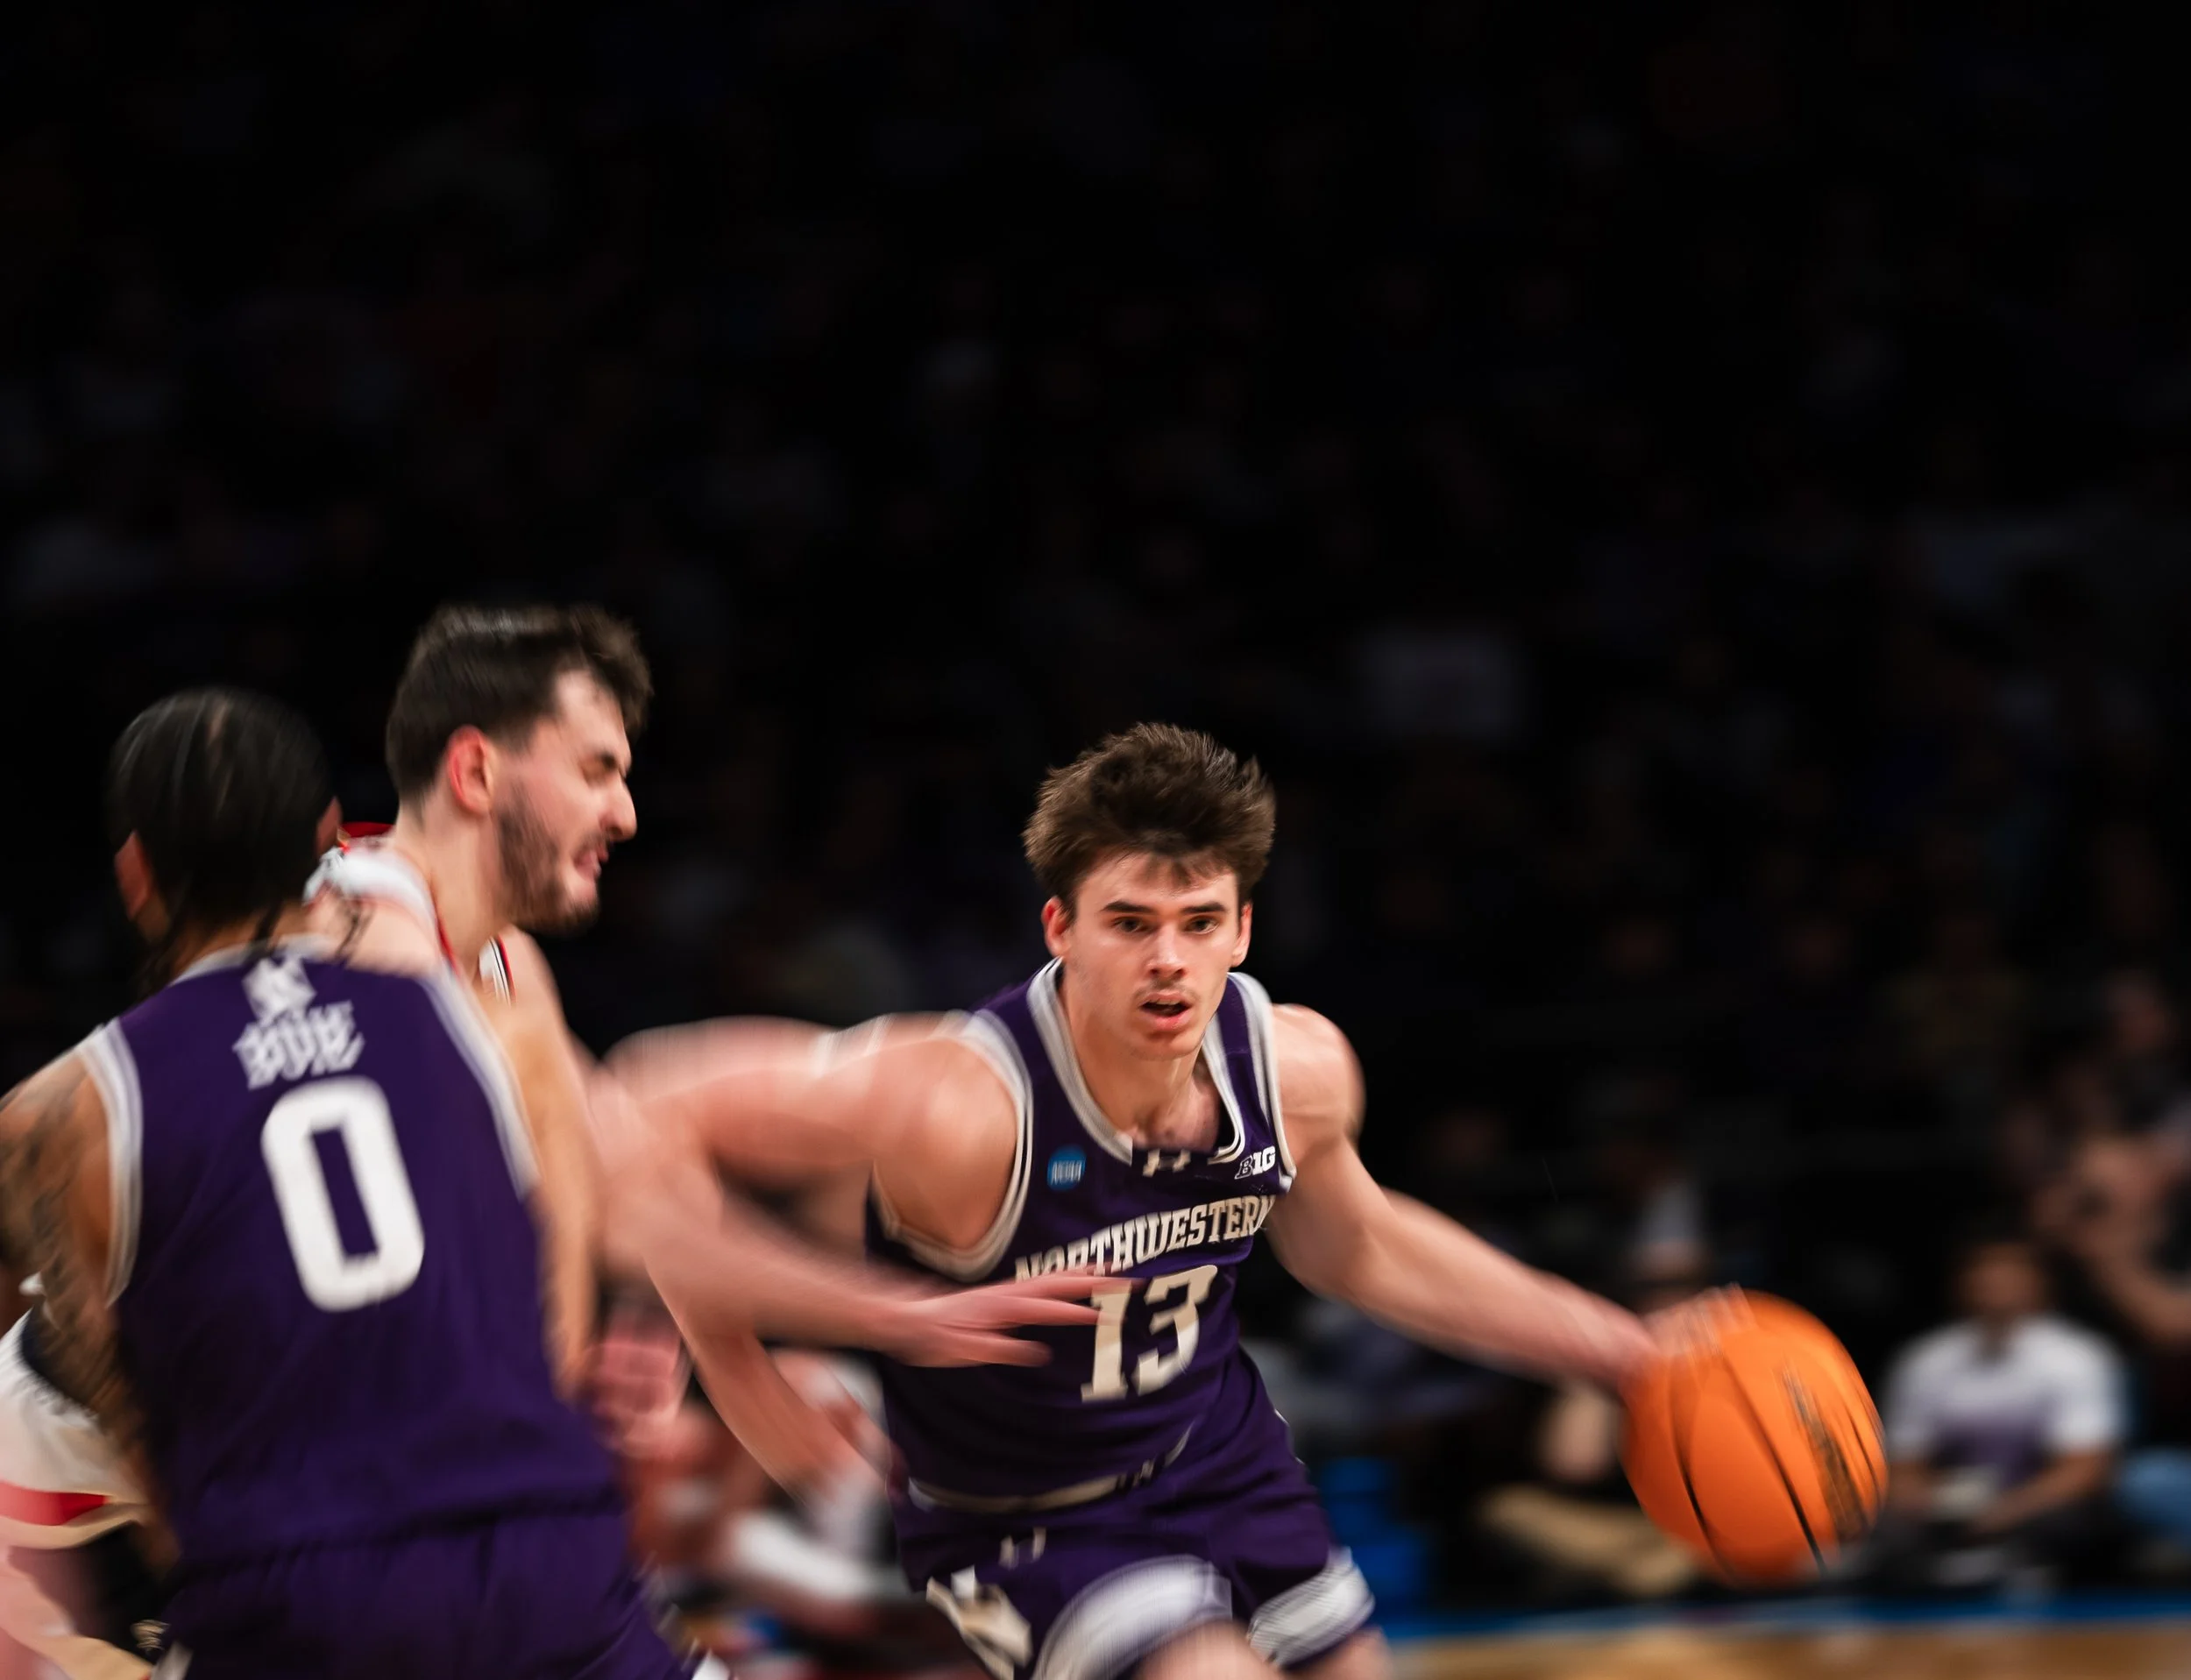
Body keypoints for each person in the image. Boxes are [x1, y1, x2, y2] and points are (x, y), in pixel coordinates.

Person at [615, 723, 1670, 1680]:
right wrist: (732, 1353)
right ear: (1059, 928)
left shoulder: (1291, 1069)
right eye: (1129, 922)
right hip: (1034, 1527)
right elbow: (641, 1107)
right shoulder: (960, 1100)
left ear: (1243, 930)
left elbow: (1364, 1250)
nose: (1167, 959)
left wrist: (1625, 1352)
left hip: (1227, 1462)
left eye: (1197, 921)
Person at [0, 688, 727, 1676]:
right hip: (530, 1542)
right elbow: (557, 1329)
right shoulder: (496, 1020)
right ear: (330, 840)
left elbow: (130, 1419)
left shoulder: (56, 1115)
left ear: (135, 877)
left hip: (284, 1569)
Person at [1872, 1229, 2123, 1590]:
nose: (1995, 1286)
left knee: (2078, 1524)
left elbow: (2086, 1468)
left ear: (2039, 1283)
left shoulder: (2077, 1357)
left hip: (2034, 1506)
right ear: (1962, 1284)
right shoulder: (1924, 1360)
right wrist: (1926, 1501)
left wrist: (2008, 1510)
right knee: (1883, 1523)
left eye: (2009, 1275)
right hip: (1950, 1507)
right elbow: (1904, 1464)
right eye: (1984, 1275)